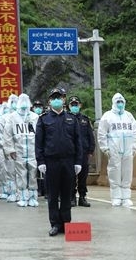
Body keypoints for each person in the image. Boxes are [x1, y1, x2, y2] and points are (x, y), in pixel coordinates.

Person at [35, 87, 82, 237]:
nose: (56, 100)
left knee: (67, 193)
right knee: (53, 195)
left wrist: (78, 162)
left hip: (68, 161)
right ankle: (55, 224)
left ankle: (66, 223)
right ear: (49, 101)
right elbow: (39, 143)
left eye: (59, 97)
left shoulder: (72, 119)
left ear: (63, 99)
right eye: (53, 97)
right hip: (51, 161)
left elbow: (78, 141)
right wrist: (40, 161)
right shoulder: (43, 119)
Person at [97, 92, 136, 207]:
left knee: (127, 173)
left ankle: (126, 197)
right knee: (114, 173)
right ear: (114, 103)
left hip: (128, 149)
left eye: (121, 101)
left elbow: (135, 131)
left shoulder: (129, 116)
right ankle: (116, 197)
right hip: (114, 149)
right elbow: (102, 133)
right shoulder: (108, 116)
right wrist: (105, 148)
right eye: (118, 102)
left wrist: (134, 145)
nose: (120, 104)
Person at [68, 96, 95, 207]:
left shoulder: (85, 119)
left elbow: (90, 135)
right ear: (69, 106)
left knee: (83, 176)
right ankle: (72, 197)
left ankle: (82, 197)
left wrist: (91, 150)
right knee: (71, 176)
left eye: (76, 104)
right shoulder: (66, 119)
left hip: (83, 152)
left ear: (80, 105)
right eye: (72, 104)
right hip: (70, 152)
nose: (74, 106)